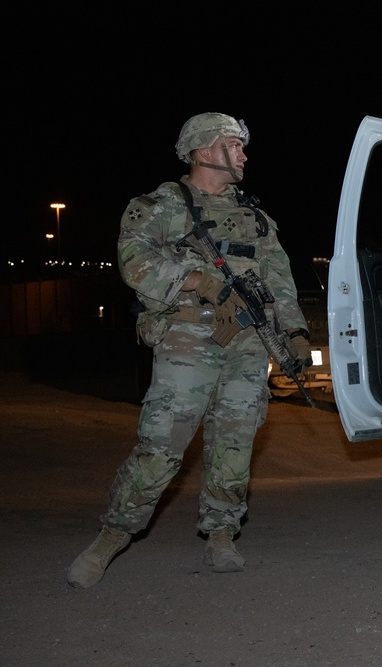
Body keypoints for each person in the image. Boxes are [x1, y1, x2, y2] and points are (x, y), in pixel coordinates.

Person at [67, 113, 311, 588]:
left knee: (236, 442)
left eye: (241, 146)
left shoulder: (255, 217)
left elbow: (279, 281)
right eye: (233, 145)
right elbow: (134, 262)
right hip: (187, 339)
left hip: (247, 340)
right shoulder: (159, 206)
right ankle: (111, 537)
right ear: (203, 151)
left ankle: (221, 534)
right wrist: (201, 280)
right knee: (162, 445)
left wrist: (296, 334)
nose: (243, 154)